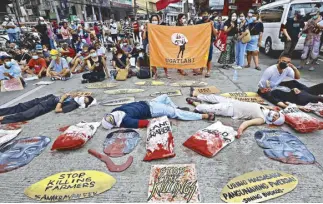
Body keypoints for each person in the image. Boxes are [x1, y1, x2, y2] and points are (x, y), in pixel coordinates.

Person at [186, 95, 285, 138]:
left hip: (230, 110)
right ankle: (197, 95)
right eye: (276, 115)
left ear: (272, 122)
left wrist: (240, 131)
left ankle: (195, 104)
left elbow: (246, 123)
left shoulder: (261, 119)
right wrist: (275, 108)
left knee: (207, 108)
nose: (274, 115)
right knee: (214, 97)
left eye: (275, 118)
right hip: (234, 102)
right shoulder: (266, 108)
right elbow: (272, 107)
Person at [101, 94, 216, 129]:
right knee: (176, 114)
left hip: (148, 102)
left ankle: (176, 108)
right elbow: (146, 123)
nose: (112, 116)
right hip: (152, 110)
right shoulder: (126, 121)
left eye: (109, 116)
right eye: (111, 119)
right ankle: (203, 116)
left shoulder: (115, 110)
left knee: (165, 97)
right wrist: (162, 123)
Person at [0, 94, 96, 124]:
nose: (83, 97)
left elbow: (57, 110)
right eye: (85, 97)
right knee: (20, 106)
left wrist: (62, 99)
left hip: (45, 106)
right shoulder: (75, 97)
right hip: (46, 98)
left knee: (26, 114)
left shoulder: (73, 105)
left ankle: (3, 119)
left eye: (85, 99)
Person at [142, 14, 170, 79]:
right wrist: (145, 29)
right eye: (153, 20)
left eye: (156, 20)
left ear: (158, 21)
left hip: (160, 46)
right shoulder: (148, 28)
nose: (154, 21)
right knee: (153, 60)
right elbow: (144, 37)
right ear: (151, 21)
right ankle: (155, 73)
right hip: (151, 47)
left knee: (163, 59)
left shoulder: (160, 28)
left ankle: (166, 73)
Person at [195, 8, 219, 77]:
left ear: (209, 15)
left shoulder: (212, 22)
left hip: (209, 43)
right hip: (201, 43)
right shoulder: (199, 22)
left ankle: (208, 71)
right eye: (203, 14)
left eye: (206, 14)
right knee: (201, 56)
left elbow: (215, 34)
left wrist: (212, 26)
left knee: (209, 57)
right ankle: (201, 70)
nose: (205, 15)